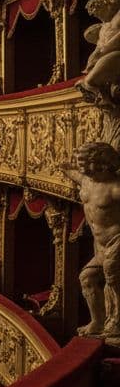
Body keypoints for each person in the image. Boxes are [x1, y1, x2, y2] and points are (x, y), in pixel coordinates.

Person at [62, 142, 120, 338]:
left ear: (103, 164)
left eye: (87, 164)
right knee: (86, 278)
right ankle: (98, 321)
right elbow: (71, 172)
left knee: (112, 277)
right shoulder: (87, 180)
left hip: (116, 242)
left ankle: (116, 322)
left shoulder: (115, 188)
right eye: (82, 164)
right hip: (100, 245)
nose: (83, 169)